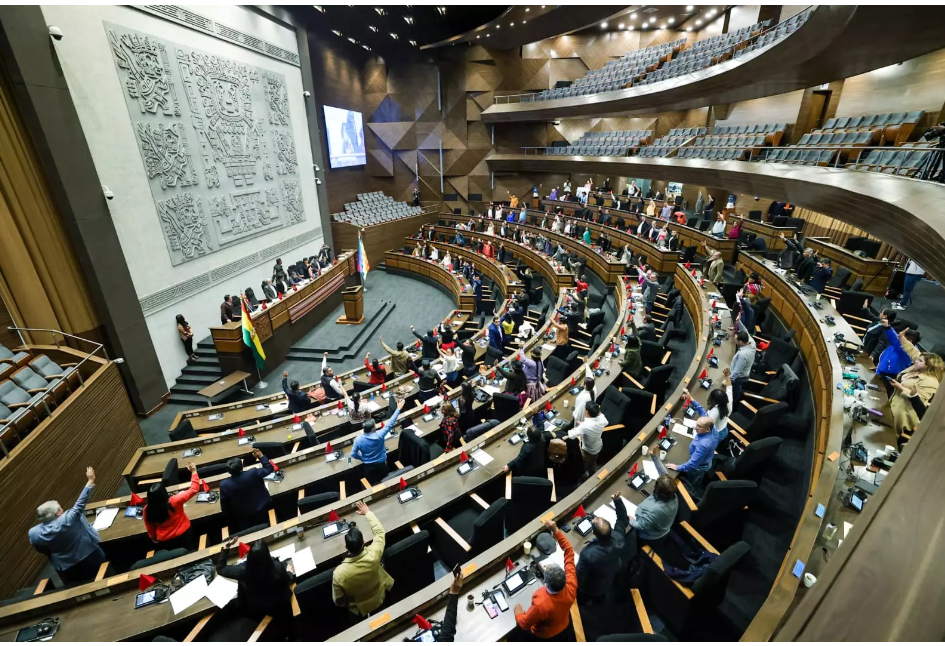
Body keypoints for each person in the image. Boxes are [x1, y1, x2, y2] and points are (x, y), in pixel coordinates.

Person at [29, 467, 105, 585]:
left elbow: (42, 549)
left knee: (78, 585)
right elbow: (80, 503)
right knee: (101, 576)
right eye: (60, 508)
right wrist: (90, 481)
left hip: (66, 565)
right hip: (89, 556)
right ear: (57, 513)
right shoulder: (67, 519)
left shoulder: (34, 533)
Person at [514, 519, 577, 639]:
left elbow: (524, 624)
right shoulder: (571, 584)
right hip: (563, 624)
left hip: (544, 635)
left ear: (544, 581)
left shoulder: (541, 603)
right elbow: (569, 551)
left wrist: (518, 615)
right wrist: (556, 530)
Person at [332, 501, 394, 616]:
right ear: (364, 543)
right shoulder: (374, 554)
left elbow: (339, 601)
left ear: (346, 547)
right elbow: (379, 532)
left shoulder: (338, 574)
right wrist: (368, 513)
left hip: (359, 608)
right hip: (379, 597)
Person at [214, 539, 295, 623]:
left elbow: (220, 569)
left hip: (255, 610)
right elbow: (287, 579)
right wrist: (289, 572)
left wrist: (226, 547)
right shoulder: (277, 567)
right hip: (278, 607)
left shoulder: (242, 570)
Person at [887, 328, 943, 432]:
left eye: (919, 360)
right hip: (892, 406)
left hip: (903, 417)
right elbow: (913, 351)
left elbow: (919, 401)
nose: (916, 361)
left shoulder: (931, 382)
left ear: (928, 365)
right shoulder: (918, 365)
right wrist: (902, 338)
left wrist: (900, 387)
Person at [576, 492, 629, 605]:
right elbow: (623, 520)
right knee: (600, 597)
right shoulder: (618, 538)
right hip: (608, 577)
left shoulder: (588, 554)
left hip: (591, 586)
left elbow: (579, 576)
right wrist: (617, 501)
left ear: (593, 533)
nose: (593, 519)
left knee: (583, 598)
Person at [143, 461, 200, 551]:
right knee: (189, 550)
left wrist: (153, 538)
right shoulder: (175, 500)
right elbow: (194, 489)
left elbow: (149, 526)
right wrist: (194, 471)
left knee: (173, 556)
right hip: (184, 533)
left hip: (165, 539)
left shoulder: (147, 509)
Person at [351, 399, 404, 484]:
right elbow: (390, 423)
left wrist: (363, 458)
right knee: (385, 481)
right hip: (381, 464)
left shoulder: (358, 439)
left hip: (368, 466)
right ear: (373, 428)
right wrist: (398, 409)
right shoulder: (380, 434)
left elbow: (353, 454)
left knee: (372, 483)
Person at [220, 448, 274, 530]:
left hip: (242, 517)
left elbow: (225, 508)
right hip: (262, 509)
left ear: (228, 471)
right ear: (242, 466)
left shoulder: (224, 485)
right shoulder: (253, 473)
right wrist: (261, 456)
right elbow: (269, 468)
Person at [666, 412, 719, 490]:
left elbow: (692, 465)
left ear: (707, 429)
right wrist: (692, 400)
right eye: (696, 424)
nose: (695, 427)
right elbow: (703, 412)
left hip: (697, 468)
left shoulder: (703, 445)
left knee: (690, 484)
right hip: (705, 460)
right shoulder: (713, 429)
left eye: (699, 426)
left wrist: (677, 467)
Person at [629, 473, 678, 543]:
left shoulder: (654, 510)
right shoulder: (673, 496)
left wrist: (631, 520)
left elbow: (641, 526)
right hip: (664, 527)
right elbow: (665, 477)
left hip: (652, 536)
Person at [568, 400, 607, 477]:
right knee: (593, 463)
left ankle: (585, 478)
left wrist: (570, 430)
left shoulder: (585, 426)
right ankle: (592, 474)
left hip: (588, 451)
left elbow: (571, 436)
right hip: (598, 447)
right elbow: (605, 422)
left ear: (587, 412)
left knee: (584, 466)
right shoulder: (602, 419)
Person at [730, 330, 756, 404]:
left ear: (740, 342)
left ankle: (733, 405)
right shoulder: (752, 343)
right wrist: (739, 322)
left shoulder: (743, 355)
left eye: (735, 338)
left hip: (738, 379)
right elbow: (746, 331)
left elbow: (737, 371)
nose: (734, 339)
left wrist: (728, 380)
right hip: (743, 375)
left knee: (734, 394)